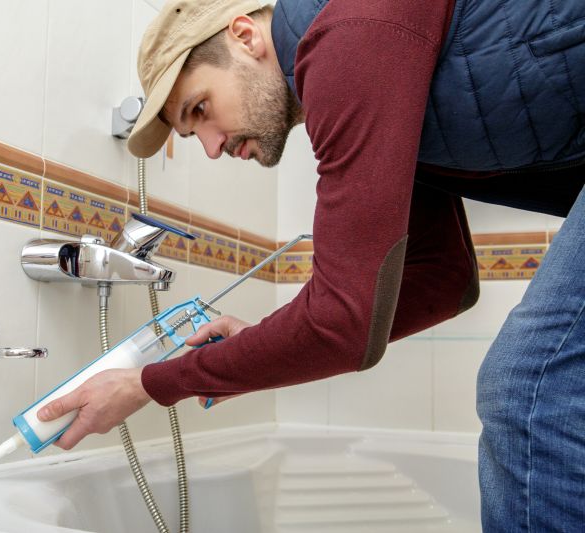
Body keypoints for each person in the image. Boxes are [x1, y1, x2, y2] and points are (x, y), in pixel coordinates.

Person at [38, 0, 585, 529]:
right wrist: (258, 349)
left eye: (200, 110)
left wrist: (149, 385)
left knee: (529, 391)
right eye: (193, 132)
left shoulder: (345, 36)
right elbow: (443, 280)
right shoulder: (380, 77)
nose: (210, 146)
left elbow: (338, 323)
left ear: (244, 36)